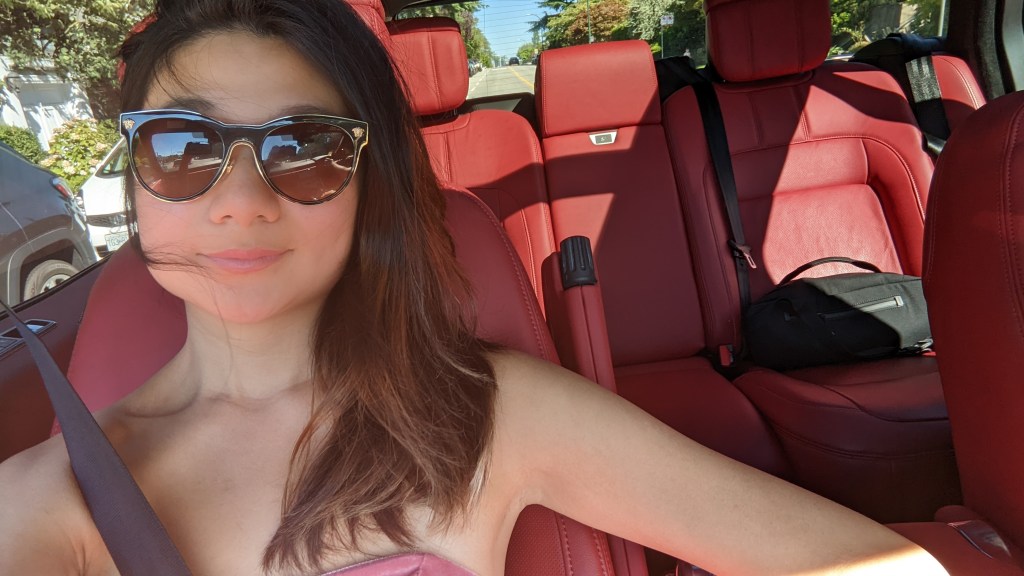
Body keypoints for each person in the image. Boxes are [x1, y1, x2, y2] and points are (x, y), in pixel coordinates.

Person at [0, 1, 950, 574]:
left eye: (306, 148)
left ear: (370, 187)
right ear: (134, 177)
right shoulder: (48, 496)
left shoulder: (488, 412)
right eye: (182, 145)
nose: (241, 202)